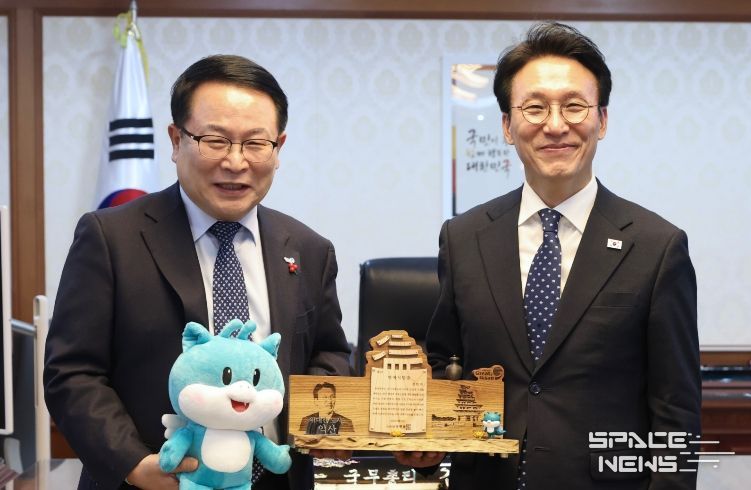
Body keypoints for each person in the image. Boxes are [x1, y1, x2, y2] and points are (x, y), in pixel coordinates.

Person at [397, 22, 701, 489]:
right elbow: (446, 364)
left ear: (602, 120)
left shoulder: (657, 247)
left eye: (574, 106)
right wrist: (424, 440)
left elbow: (676, 411)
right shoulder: (463, 238)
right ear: (507, 125)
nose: (555, 125)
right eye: (535, 108)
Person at [44, 55, 351, 490]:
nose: (236, 162)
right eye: (215, 140)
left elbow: (329, 355)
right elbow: (72, 373)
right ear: (176, 140)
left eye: (255, 143)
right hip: (152, 481)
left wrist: (319, 425)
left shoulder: (309, 249)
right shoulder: (111, 238)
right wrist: (134, 464)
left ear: (278, 147)